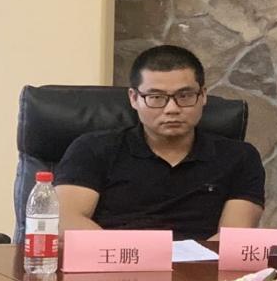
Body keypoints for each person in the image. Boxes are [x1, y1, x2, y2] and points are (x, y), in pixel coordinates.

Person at [54, 45, 265, 239]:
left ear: (203, 96)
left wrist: (185, 263)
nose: (172, 109)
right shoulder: (93, 148)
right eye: (156, 97)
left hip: (202, 265)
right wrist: (136, 257)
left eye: (185, 96)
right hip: (117, 262)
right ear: (133, 98)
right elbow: (66, 219)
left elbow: (234, 237)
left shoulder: (240, 157)